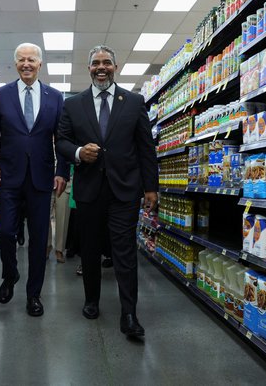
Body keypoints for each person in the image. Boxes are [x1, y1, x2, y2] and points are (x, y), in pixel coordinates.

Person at [56, 45, 158, 338]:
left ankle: (129, 313)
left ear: (116, 66)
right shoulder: (73, 104)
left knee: (124, 251)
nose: (101, 67)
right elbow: (61, 141)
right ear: (88, 68)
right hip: (89, 190)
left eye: (107, 63)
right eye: (96, 63)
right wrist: (77, 151)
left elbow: (145, 148)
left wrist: (151, 187)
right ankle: (91, 300)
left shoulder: (134, 101)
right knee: (89, 249)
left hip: (124, 190)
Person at [0, 42, 68, 317]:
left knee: (39, 239)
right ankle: (10, 274)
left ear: (40, 64)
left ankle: (34, 295)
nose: (26, 64)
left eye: (31, 60)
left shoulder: (55, 97)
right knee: (6, 230)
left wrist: (62, 171)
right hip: (8, 177)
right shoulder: (2, 95)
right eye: (21, 60)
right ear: (15, 63)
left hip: (42, 179)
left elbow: (62, 140)